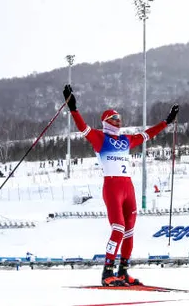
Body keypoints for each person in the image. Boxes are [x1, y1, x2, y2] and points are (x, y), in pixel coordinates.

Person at [63, 84, 179, 287]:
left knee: (129, 231)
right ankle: (107, 272)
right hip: (112, 188)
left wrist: (167, 121)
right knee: (118, 229)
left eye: (120, 118)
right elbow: (83, 128)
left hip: (128, 189)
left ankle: (123, 272)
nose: (119, 121)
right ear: (107, 121)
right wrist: (73, 109)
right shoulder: (100, 138)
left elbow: (148, 134)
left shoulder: (126, 140)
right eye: (115, 118)